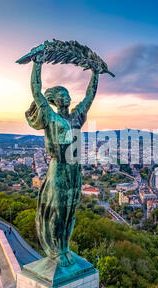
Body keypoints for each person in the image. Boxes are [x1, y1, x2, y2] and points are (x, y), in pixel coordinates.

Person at [25, 60, 99, 267]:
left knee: (69, 210)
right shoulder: (49, 116)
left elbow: (89, 96)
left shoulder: (77, 118)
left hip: (74, 169)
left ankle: (64, 247)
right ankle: (55, 249)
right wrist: (37, 64)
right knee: (58, 208)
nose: (68, 97)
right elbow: (36, 91)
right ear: (57, 100)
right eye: (64, 94)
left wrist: (96, 73)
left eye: (68, 94)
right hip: (58, 167)